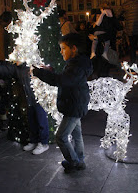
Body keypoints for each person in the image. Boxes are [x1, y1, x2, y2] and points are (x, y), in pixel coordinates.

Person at [32, 33, 93, 173]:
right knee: (77, 135)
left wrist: (39, 73)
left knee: (61, 137)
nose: (61, 51)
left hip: (74, 106)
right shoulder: (77, 64)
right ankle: (79, 159)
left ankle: (74, 162)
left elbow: (62, 81)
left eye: (63, 48)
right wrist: (49, 71)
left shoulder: (77, 66)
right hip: (75, 104)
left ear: (74, 49)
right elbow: (66, 78)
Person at [0, 57, 50, 155]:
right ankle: (34, 140)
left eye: (18, 57)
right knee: (31, 121)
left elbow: (48, 72)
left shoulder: (33, 65)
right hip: (29, 100)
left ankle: (43, 143)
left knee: (41, 120)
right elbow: (4, 69)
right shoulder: (17, 68)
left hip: (40, 99)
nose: (15, 59)